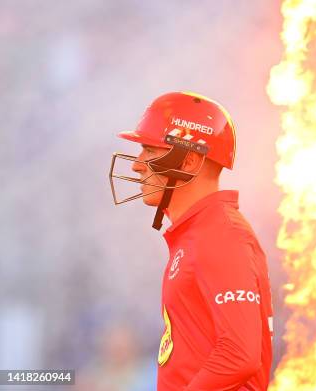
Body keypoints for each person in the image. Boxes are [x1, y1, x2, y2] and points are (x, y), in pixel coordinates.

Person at [109, 91, 273, 391]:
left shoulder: (221, 234)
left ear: (190, 160)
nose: (137, 164)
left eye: (149, 150)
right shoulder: (200, 233)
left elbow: (240, 355)